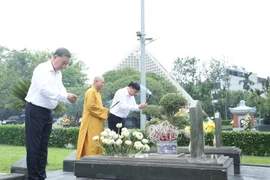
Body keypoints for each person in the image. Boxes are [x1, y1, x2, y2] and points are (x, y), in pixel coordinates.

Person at [24, 47, 78, 180]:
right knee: (34, 147)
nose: (64, 66)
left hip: (47, 112)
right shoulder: (41, 69)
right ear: (54, 57)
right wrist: (65, 96)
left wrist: (68, 97)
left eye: (66, 64)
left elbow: (60, 89)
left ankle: (41, 176)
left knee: (43, 147)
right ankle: (33, 177)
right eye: (63, 62)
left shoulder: (58, 74)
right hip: (35, 110)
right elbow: (44, 90)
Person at [76, 76, 109, 159]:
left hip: (97, 121)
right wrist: (105, 112)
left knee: (97, 141)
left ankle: (97, 158)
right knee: (91, 142)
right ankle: (90, 159)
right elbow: (91, 107)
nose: (103, 84)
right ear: (95, 81)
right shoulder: (90, 92)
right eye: (102, 82)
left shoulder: (97, 93)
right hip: (91, 121)